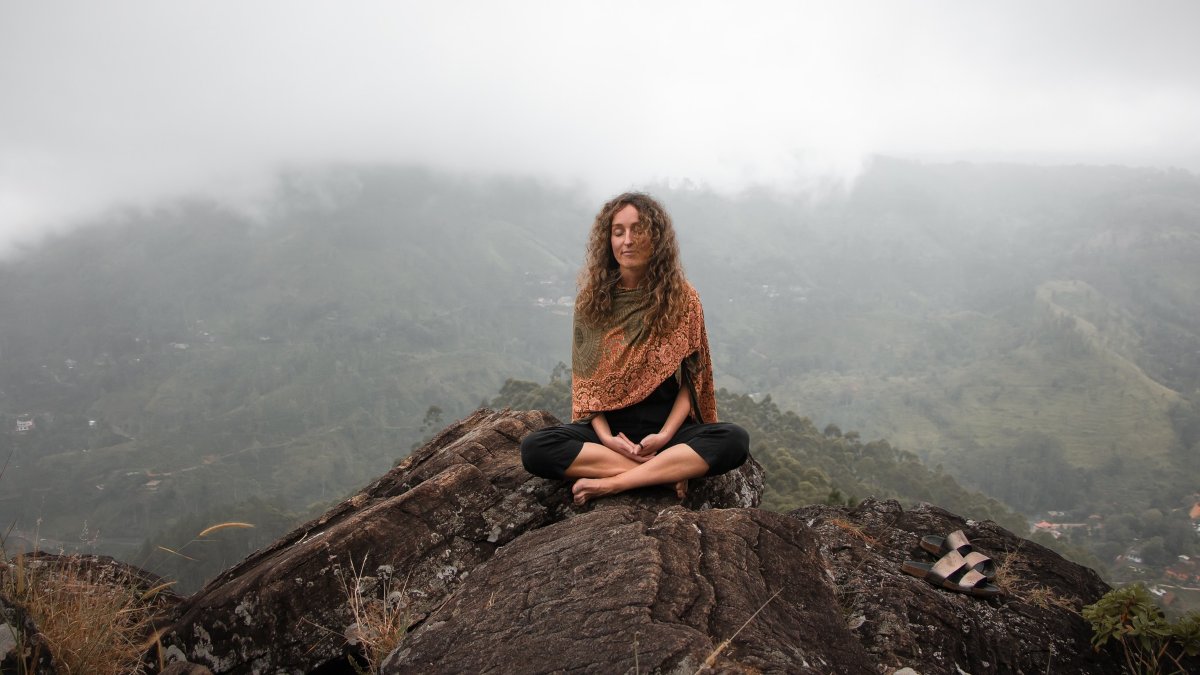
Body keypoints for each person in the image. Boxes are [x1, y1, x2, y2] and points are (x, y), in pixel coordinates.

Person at [521, 192, 749, 505]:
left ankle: (614, 483)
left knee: (734, 441)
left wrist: (666, 436)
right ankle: (664, 475)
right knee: (535, 449)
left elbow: (693, 381)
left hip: (666, 429)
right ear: (608, 240)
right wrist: (607, 438)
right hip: (611, 433)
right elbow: (587, 389)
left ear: (656, 238)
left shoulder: (683, 300)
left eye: (637, 230)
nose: (627, 240)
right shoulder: (591, 302)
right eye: (618, 232)